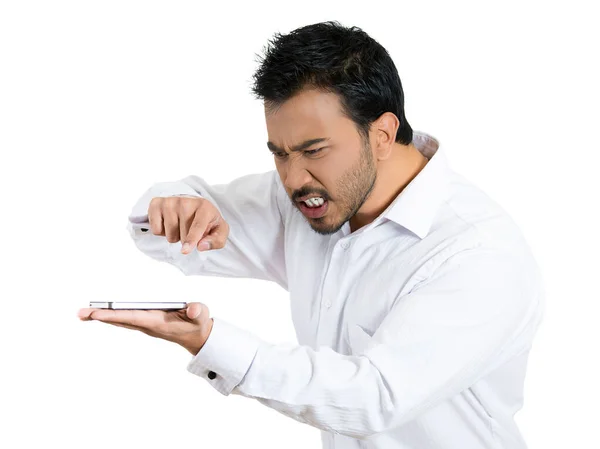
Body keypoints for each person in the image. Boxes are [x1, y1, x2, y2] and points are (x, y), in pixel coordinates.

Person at [78, 21, 545, 449]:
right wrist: (176, 205)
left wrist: (211, 343)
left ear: (382, 134)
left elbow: (374, 398)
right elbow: (162, 231)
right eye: (279, 153)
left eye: (313, 150)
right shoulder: (315, 198)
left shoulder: (477, 255)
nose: (293, 177)